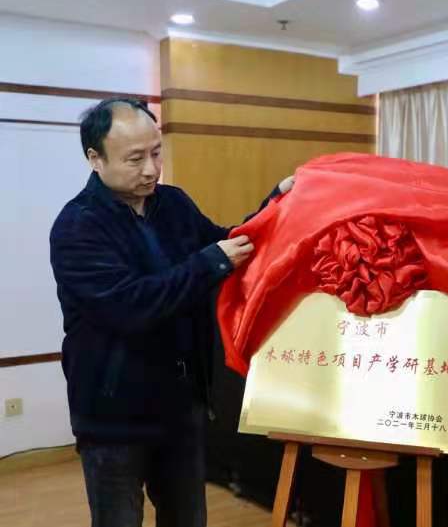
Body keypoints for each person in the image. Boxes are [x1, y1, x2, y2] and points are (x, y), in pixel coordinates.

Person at [49, 98, 293, 527]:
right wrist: (210, 262)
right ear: (95, 159)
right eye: (135, 159)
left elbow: (227, 243)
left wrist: (277, 203)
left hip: (180, 407)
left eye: (156, 152)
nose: (151, 169)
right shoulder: (77, 226)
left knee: (187, 517)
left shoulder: (173, 203)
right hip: (113, 418)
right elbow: (130, 305)